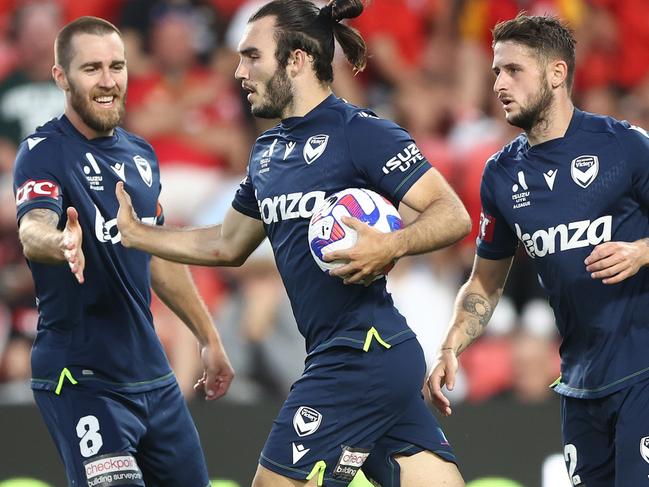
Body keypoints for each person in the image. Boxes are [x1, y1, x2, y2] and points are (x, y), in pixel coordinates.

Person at [113, 1, 471, 485]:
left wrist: (391, 245)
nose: (238, 71)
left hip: (361, 350)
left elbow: (453, 214)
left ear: (297, 60)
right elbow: (226, 243)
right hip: (357, 355)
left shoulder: (360, 132)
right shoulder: (266, 152)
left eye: (252, 56)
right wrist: (138, 235)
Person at [428, 13, 649, 487]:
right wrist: (452, 343)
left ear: (556, 74)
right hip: (579, 384)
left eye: (513, 70)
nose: (499, 84)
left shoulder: (625, 147)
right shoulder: (501, 176)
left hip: (643, 371)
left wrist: (642, 251)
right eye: (495, 72)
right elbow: (485, 280)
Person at [12, 16, 234, 487]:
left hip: (153, 376)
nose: (109, 81)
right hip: (82, 378)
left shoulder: (141, 155)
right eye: (91, 68)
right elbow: (33, 228)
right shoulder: (43, 151)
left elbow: (158, 255)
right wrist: (61, 242)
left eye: (117, 66)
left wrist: (207, 337)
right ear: (61, 77)